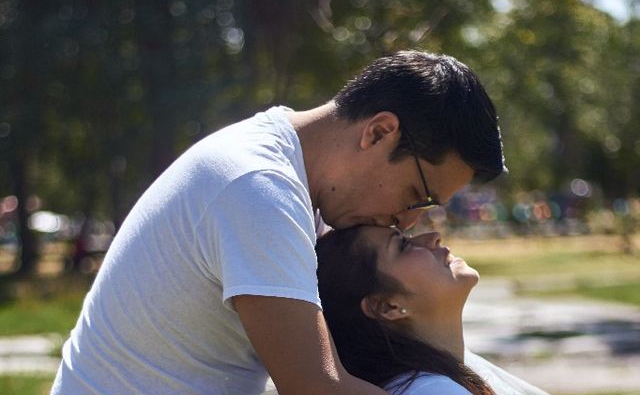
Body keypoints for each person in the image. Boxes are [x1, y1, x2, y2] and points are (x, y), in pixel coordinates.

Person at [51, 50, 506, 395]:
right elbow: (317, 387)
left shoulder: (298, 184)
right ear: (379, 132)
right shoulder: (257, 186)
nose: (408, 221)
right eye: (415, 195)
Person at [316, 226, 549, 395]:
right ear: (387, 306)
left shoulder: (438, 379)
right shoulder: (431, 390)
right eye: (403, 245)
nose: (432, 237)